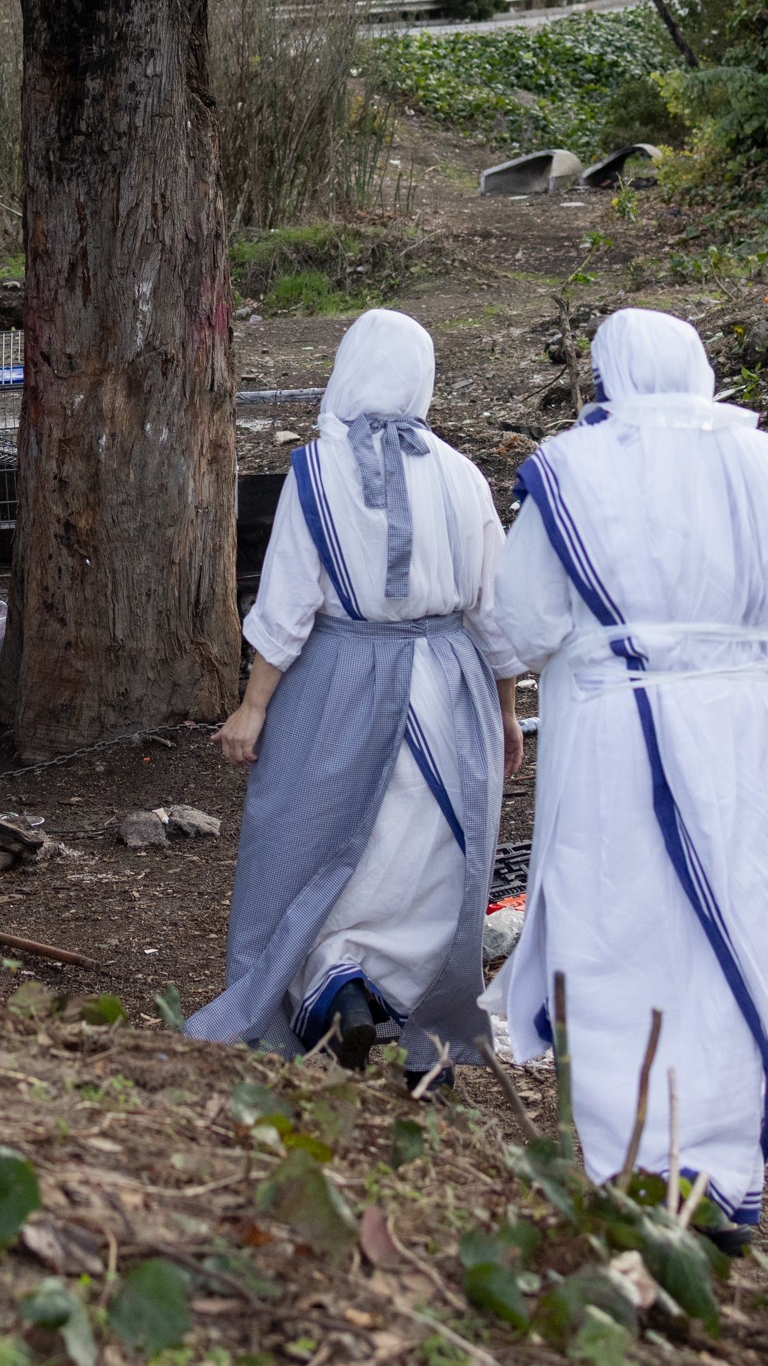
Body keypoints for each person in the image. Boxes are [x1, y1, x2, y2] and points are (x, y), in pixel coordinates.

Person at [484, 308, 768, 1236]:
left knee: (620, 927)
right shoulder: (767, 462)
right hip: (756, 725)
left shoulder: (573, 470)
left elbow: (522, 621)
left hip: (622, 723)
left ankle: (632, 1168)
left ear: (607, 375)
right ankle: (721, 1170)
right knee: (745, 918)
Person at [187, 309, 525, 1081]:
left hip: (341, 681)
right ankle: (425, 1033)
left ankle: (337, 992)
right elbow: (494, 608)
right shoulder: (462, 473)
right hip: (448, 692)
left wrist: (254, 707)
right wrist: (505, 712)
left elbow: (288, 604)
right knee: (428, 855)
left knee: (315, 843)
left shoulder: (316, 470)